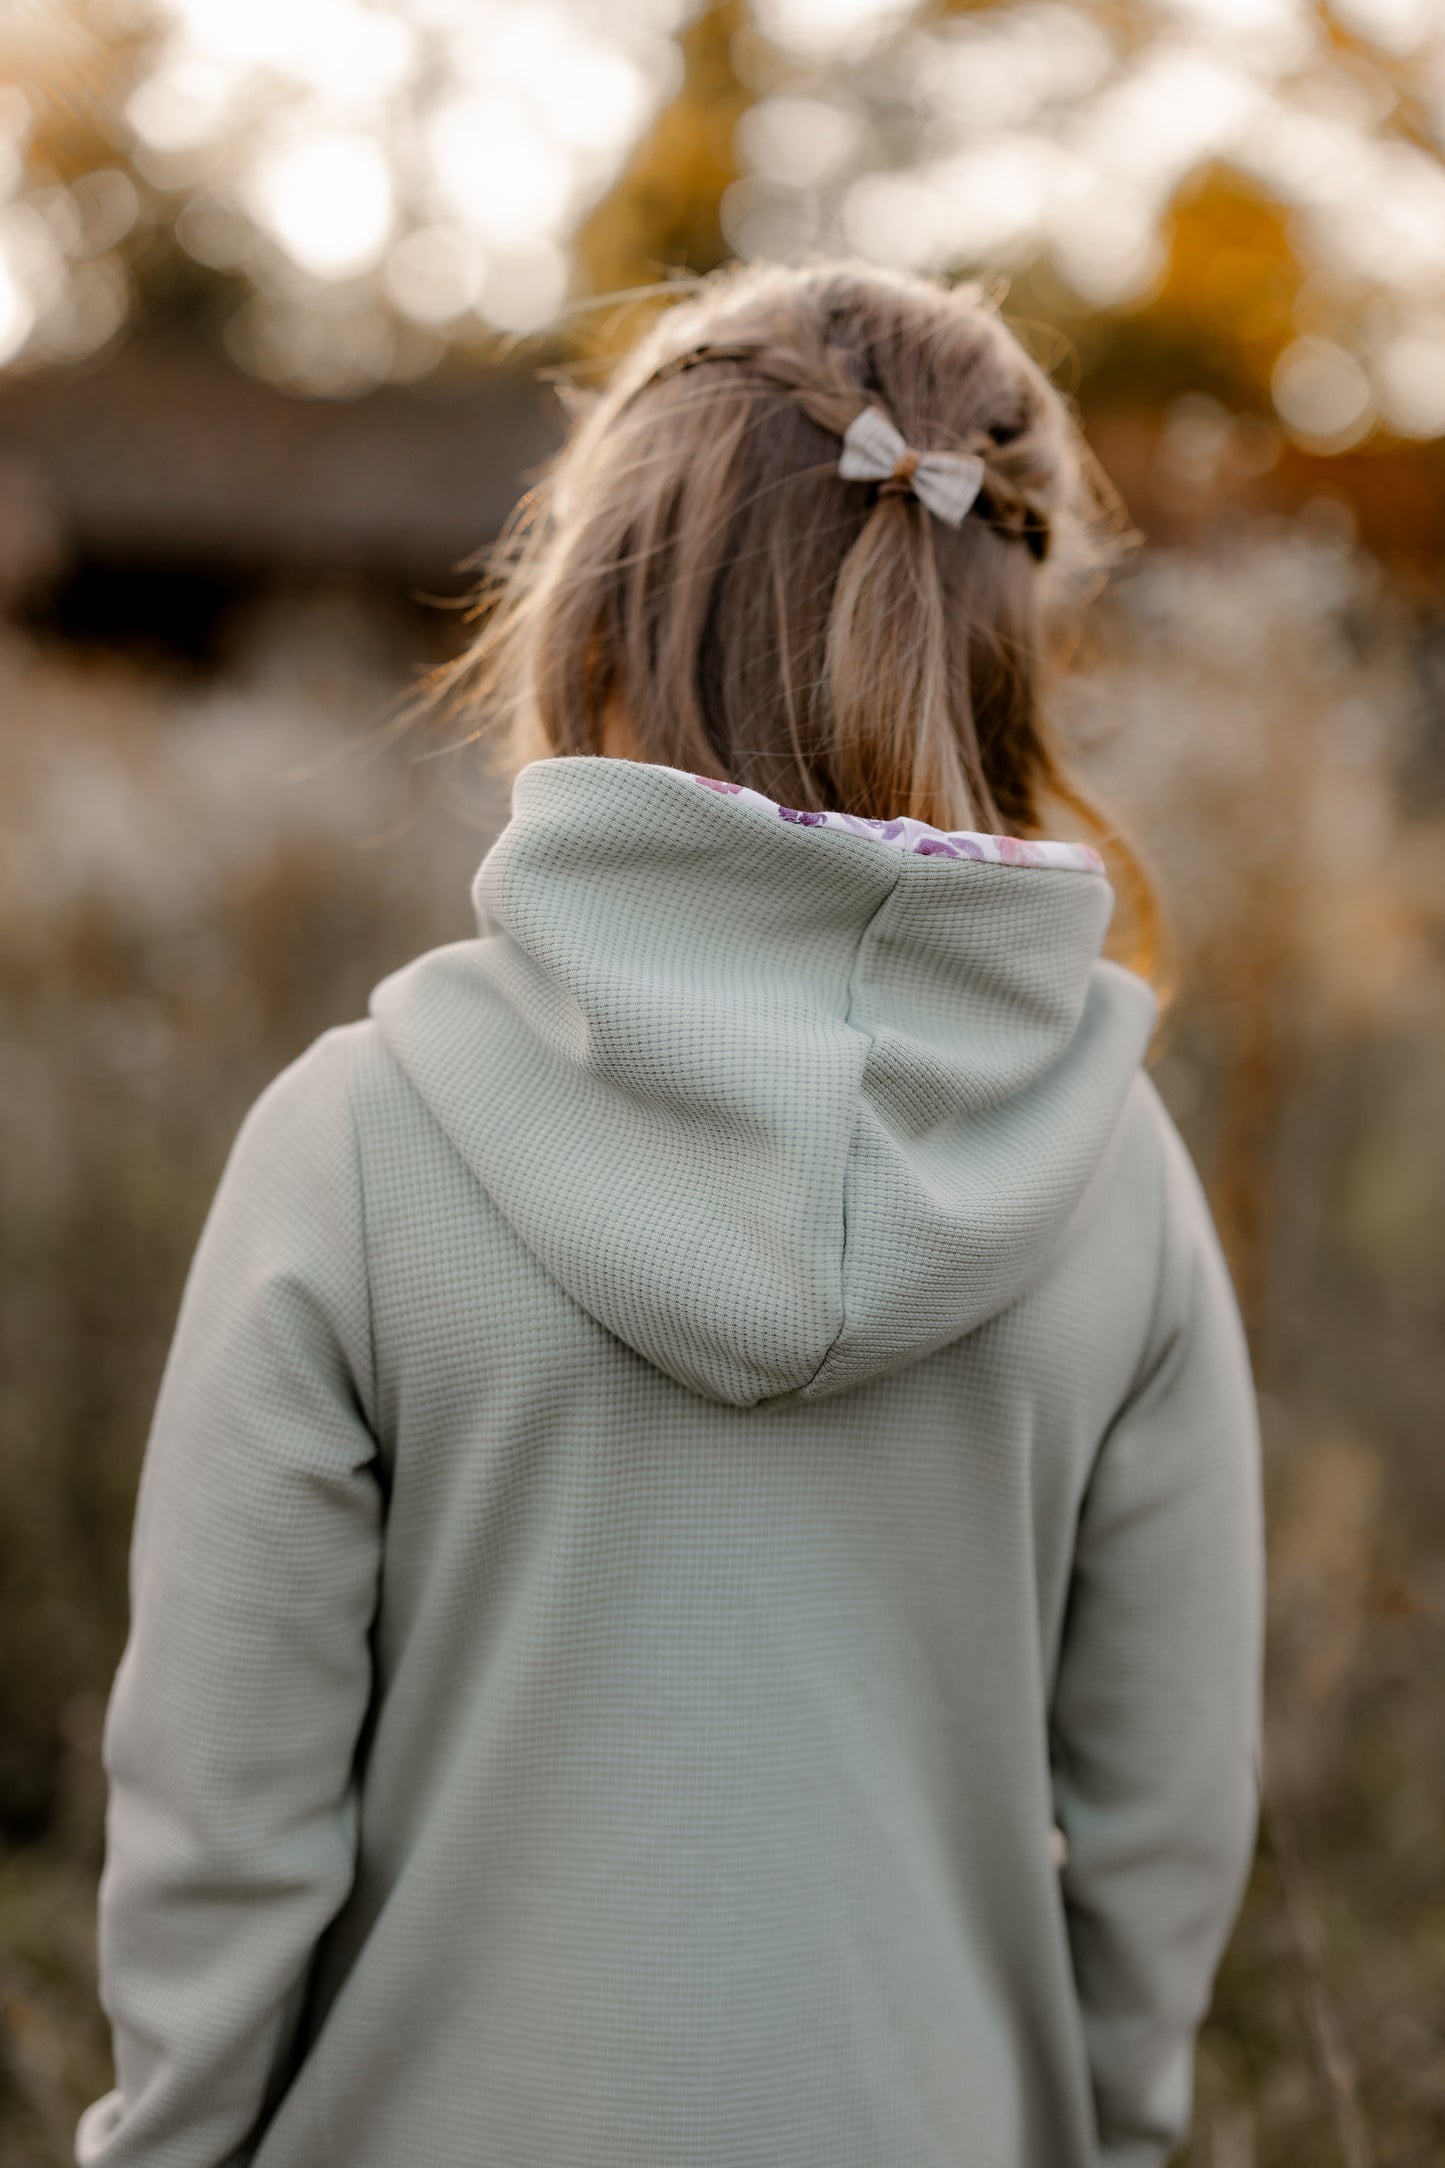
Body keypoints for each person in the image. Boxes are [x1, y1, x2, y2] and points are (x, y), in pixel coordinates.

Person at [78, 260, 1263, 2168]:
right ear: (1000, 637)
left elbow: (222, 1822)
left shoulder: (362, 1143)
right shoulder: (1119, 1179)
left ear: (596, 614)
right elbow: (1161, 1823)